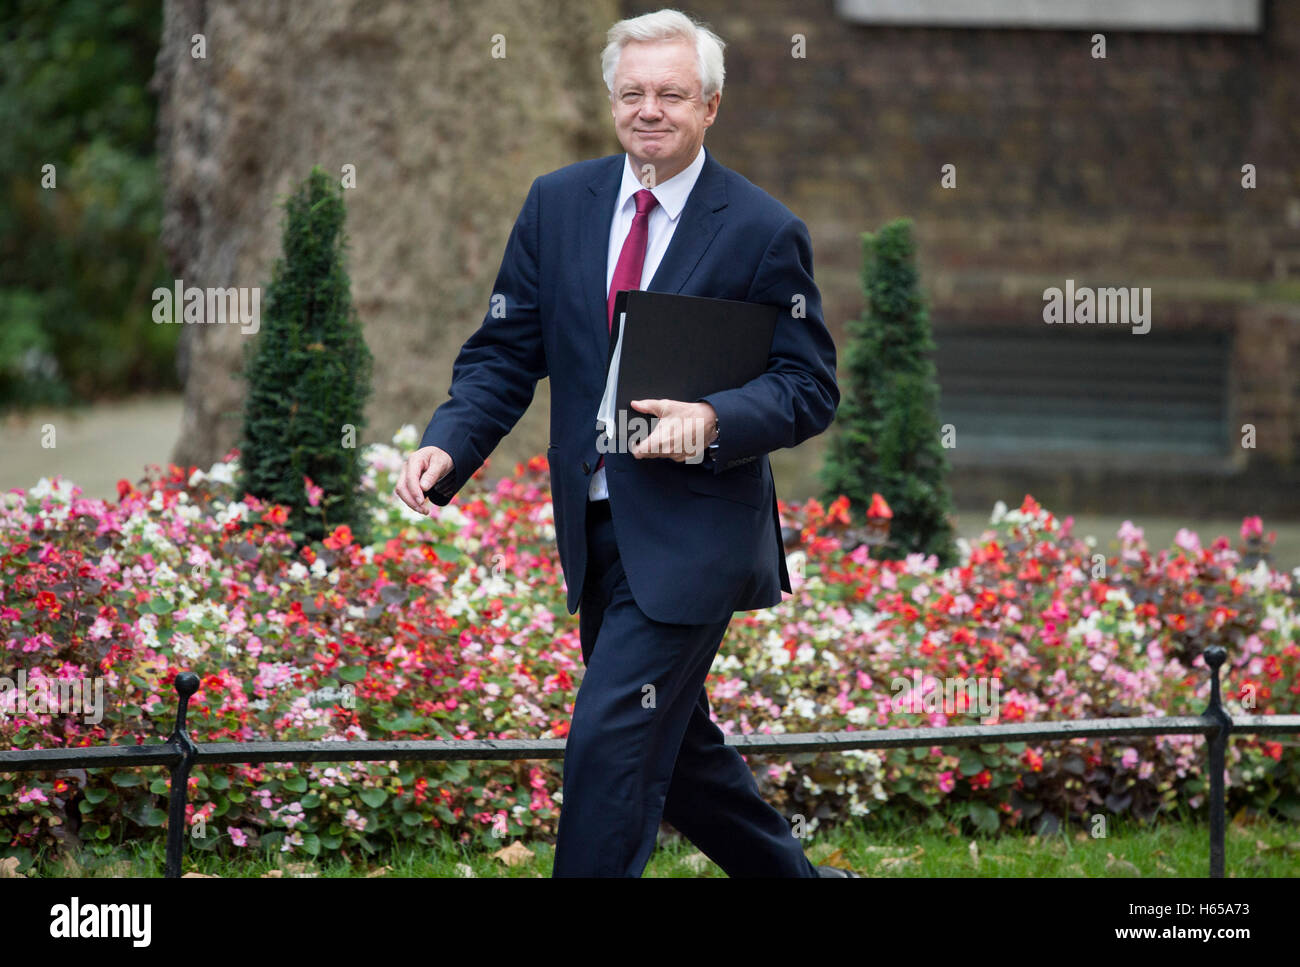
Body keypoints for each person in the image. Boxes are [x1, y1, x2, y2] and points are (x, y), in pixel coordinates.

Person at [395, 8, 847, 877]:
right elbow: (504, 351)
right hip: (595, 531)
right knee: (674, 751)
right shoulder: (557, 204)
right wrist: (448, 445)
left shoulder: (762, 230)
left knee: (608, 740)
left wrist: (715, 420)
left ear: (710, 106)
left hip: (694, 538)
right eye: (632, 93)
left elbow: (807, 386)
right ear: (610, 99)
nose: (650, 110)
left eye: (672, 94)